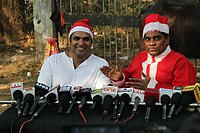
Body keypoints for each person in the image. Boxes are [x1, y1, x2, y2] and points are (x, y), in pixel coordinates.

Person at [100, 13, 196, 90]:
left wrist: (152, 87)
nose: (151, 43)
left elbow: (184, 93)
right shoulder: (141, 57)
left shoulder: (180, 62)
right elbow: (128, 83)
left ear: (167, 40)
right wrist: (120, 78)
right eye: (147, 39)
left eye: (157, 38)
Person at [36, 18, 111, 93]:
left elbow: (101, 94)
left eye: (86, 39)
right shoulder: (52, 61)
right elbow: (41, 91)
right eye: (76, 39)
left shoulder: (101, 65)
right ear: (70, 41)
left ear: (91, 43)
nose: (81, 43)